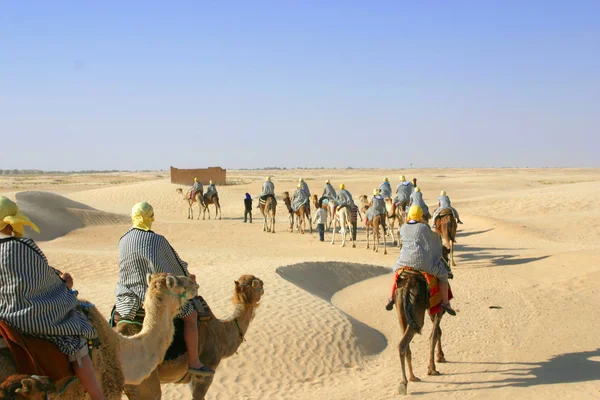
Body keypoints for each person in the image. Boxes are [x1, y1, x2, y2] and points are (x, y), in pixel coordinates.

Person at [0, 197, 108, 400]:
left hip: (4, 319)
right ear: (10, 222)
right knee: (78, 337)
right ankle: (97, 396)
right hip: (31, 319)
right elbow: (44, 282)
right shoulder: (24, 246)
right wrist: (64, 285)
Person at [115, 202, 214, 377]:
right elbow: (171, 269)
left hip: (126, 299)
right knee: (191, 316)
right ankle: (194, 362)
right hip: (153, 298)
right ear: (150, 217)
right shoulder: (156, 240)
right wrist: (188, 277)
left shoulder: (123, 239)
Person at [385, 205, 455, 316]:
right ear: (421, 215)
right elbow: (432, 242)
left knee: (396, 273)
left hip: (403, 262)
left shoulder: (403, 227)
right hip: (423, 264)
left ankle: (391, 298)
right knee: (443, 275)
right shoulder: (424, 227)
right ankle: (446, 303)